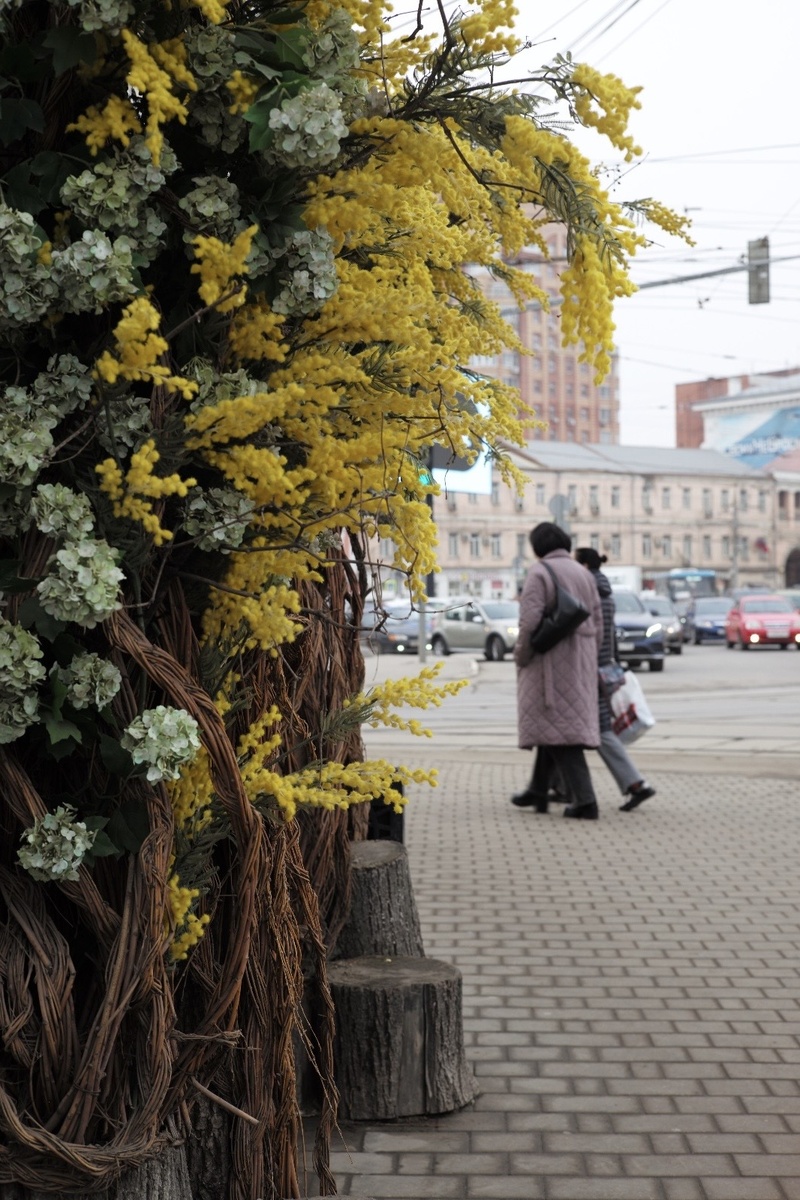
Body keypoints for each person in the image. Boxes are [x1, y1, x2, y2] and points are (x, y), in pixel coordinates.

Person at [512, 522, 604, 819]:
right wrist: (591, 656)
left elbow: (529, 623)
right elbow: (598, 623)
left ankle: (586, 801)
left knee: (563, 734)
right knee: (553, 726)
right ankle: (538, 789)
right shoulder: (582, 572)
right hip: (580, 662)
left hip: (549, 665)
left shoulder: (540, 573)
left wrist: (521, 655)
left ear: (538, 546)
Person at [574, 546, 656, 812]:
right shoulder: (606, 592)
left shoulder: (591, 592)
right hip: (604, 666)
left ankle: (636, 784)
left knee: (599, 731)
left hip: (591, 669)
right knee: (570, 732)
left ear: (585, 565)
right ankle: (553, 786)